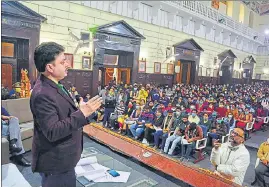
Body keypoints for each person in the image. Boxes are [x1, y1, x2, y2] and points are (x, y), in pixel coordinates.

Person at [30, 42, 102, 187]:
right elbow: (53, 131)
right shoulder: (42, 94)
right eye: (63, 62)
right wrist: (82, 113)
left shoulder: (56, 84)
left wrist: (79, 110)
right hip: (56, 163)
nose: (68, 65)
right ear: (50, 67)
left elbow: (62, 114)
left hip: (65, 160)